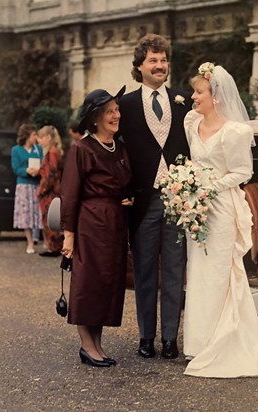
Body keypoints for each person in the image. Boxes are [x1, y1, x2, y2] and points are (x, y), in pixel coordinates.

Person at [182, 62, 258, 377]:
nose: (193, 98)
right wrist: (189, 188)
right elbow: (192, 161)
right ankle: (198, 344)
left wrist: (209, 188)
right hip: (196, 209)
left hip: (222, 208)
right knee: (198, 272)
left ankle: (222, 340)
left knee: (220, 272)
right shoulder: (191, 123)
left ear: (215, 95)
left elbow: (243, 172)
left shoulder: (236, 131)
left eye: (198, 92)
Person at [118, 33, 193, 359]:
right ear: (140, 66)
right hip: (143, 202)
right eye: (153, 60)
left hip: (178, 203)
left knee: (175, 270)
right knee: (145, 270)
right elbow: (115, 151)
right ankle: (146, 337)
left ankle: (170, 339)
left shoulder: (184, 99)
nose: (160, 65)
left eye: (163, 60)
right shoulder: (126, 105)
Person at [59, 85, 133, 367]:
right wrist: (69, 235)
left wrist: (129, 199)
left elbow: (127, 184)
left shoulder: (121, 148)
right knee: (88, 282)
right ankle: (87, 346)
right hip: (89, 224)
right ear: (94, 118)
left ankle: (98, 345)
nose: (116, 115)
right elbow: (70, 193)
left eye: (116, 110)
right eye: (109, 111)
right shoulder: (81, 149)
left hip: (114, 223)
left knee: (107, 282)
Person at [11, 123, 43, 254]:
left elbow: (43, 163)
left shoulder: (38, 149)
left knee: (39, 213)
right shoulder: (16, 150)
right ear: (27, 136)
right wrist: (26, 171)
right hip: (24, 185)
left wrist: (38, 171)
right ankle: (30, 242)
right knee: (26, 215)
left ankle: (45, 241)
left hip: (36, 184)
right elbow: (16, 168)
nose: (36, 137)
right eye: (34, 134)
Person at [36, 125, 64, 257]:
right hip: (51, 191)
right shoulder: (53, 151)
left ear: (48, 138)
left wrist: (42, 190)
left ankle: (54, 247)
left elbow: (51, 174)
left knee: (49, 220)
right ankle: (53, 247)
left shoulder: (52, 153)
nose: (39, 140)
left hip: (50, 193)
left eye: (41, 137)